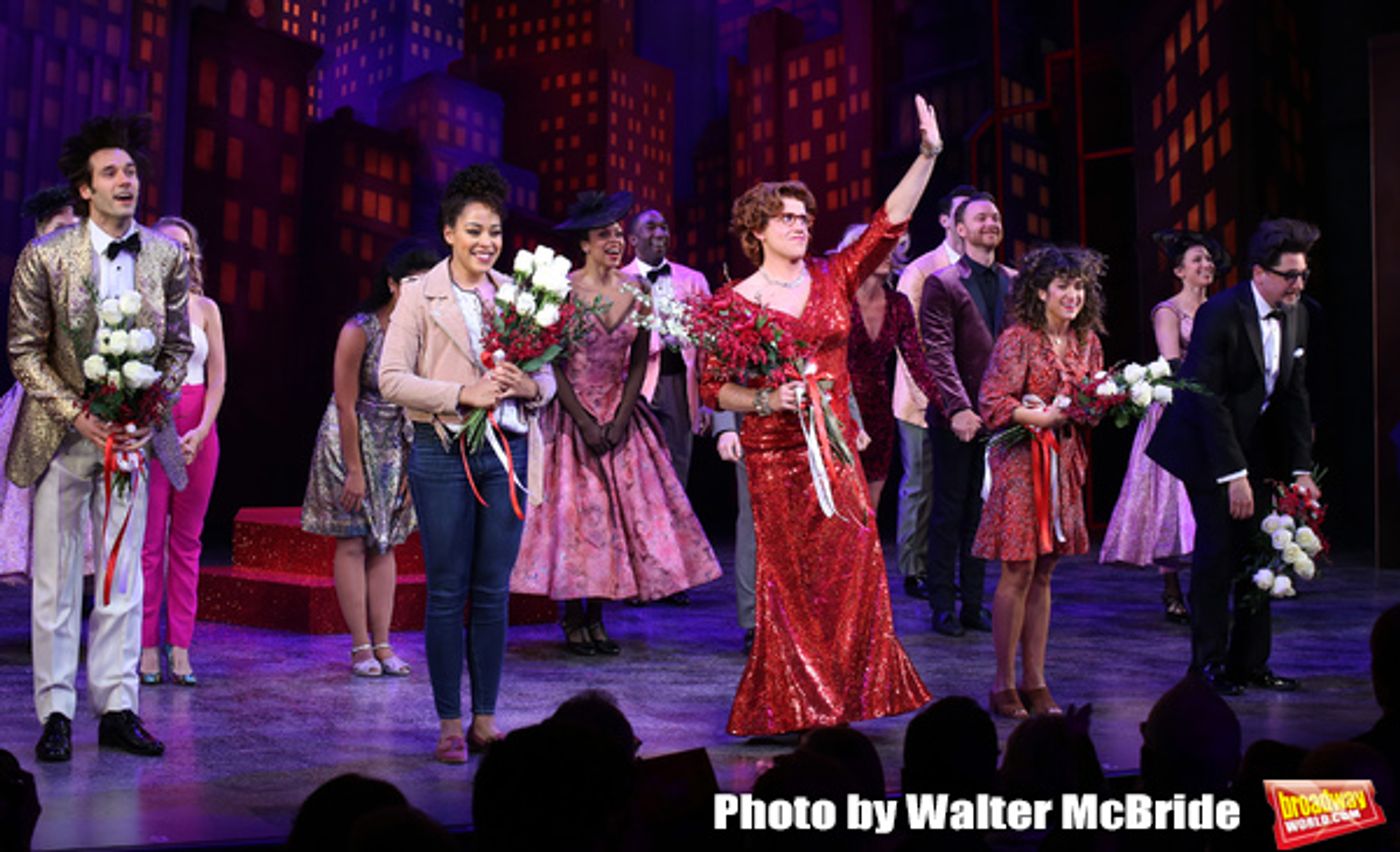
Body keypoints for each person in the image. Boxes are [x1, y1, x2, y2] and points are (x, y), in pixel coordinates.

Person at [701, 95, 942, 736]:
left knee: (852, 565)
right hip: (775, 456)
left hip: (834, 449)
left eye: (804, 216)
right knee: (790, 580)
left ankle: (842, 694)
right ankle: (797, 703)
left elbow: (887, 224)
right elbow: (712, 388)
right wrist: (763, 401)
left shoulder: (833, 276)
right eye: (786, 218)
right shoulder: (732, 303)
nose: (801, 224)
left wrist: (927, 155)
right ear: (756, 230)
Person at [9, 114, 192, 761]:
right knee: (57, 583)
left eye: (132, 171)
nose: (126, 181)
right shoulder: (46, 257)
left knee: (122, 579)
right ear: (85, 189)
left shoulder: (167, 257)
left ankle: (118, 708)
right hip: (64, 437)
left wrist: (149, 405)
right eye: (111, 172)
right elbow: (24, 353)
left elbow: (178, 348)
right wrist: (76, 413)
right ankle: (56, 712)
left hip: (131, 440)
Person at [379, 164, 556, 763]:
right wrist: (463, 395)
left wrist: (524, 386)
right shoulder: (418, 296)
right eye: (475, 230)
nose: (487, 242)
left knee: (492, 592)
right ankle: (449, 724)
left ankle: (486, 719)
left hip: (506, 451)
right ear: (450, 233)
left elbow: (549, 381)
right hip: (442, 450)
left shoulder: (517, 295)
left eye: (496, 232)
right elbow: (391, 379)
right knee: (448, 591)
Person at [511, 190, 721, 655]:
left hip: (619, 410)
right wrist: (583, 420)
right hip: (570, 415)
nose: (614, 242)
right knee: (575, 515)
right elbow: (553, 362)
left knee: (611, 516)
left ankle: (597, 617)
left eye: (617, 234)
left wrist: (623, 415)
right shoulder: (560, 289)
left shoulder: (638, 291)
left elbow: (640, 359)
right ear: (583, 243)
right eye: (603, 235)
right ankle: (573, 617)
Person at [1147, 218, 1319, 696]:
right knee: (1217, 553)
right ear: (1260, 273)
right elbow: (1207, 397)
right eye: (1290, 275)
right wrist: (1233, 475)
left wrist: (1301, 469)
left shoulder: (1298, 312)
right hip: (1207, 448)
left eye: (1304, 274)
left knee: (1262, 548)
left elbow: (1294, 394)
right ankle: (1207, 665)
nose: (1299, 284)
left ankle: (1250, 664)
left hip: (1255, 445)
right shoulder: (1221, 312)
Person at [975, 245, 1106, 719]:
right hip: (1021, 463)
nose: (1072, 295)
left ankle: (1036, 679)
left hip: (1064, 462)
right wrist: (1042, 416)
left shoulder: (1087, 341)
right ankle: (1003, 682)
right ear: (1039, 291)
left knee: (1046, 568)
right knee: (1019, 568)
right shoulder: (1018, 338)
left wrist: (1102, 403)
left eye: (1079, 286)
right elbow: (992, 402)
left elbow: (1090, 401)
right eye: (1063, 286)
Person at [303, 240, 441, 678]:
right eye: (412, 283)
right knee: (351, 541)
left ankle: (384, 645)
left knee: (386, 543)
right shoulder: (360, 329)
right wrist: (356, 471)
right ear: (392, 285)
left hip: (397, 441)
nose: (420, 292)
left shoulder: (428, 335)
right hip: (352, 437)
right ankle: (359, 647)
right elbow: (345, 404)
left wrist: (409, 463)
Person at [1101, 230, 1226, 623]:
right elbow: (1173, 366)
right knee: (1172, 502)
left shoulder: (1220, 308)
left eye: (1208, 260)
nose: (1205, 266)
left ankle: (1210, 586)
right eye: (1196, 261)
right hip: (1178, 408)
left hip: (1215, 409)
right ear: (1179, 271)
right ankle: (1172, 589)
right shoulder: (1168, 311)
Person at [919, 192, 1014, 638]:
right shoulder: (944, 282)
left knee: (982, 512)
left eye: (994, 216)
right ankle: (943, 604)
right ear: (959, 229)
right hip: (956, 417)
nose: (990, 223)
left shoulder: (1016, 280)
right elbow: (937, 351)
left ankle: (974, 604)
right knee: (950, 510)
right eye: (980, 218)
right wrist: (958, 407)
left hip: (1003, 417)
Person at [138, 216, 225, 686]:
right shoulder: (136, 303)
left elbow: (219, 378)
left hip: (198, 428)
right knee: (150, 544)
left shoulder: (207, 308)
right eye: (170, 244)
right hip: (154, 423)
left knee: (187, 544)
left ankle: (182, 648)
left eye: (186, 246)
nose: (180, 252)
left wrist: (202, 428)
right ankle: (148, 647)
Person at [892, 184, 976, 601]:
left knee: (959, 489)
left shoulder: (981, 271)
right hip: (921, 399)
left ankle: (953, 569)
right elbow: (908, 341)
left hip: (968, 401)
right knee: (921, 484)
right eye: (963, 213)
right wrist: (928, 396)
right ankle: (914, 567)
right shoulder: (922, 269)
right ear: (947, 221)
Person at [0, 186, 83, 584]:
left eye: (73, 228)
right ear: (40, 233)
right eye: (58, 228)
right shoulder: (32, 273)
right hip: (37, 398)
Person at [842, 224, 937, 512]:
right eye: (878, 247)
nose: (888, 254)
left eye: (891, 248)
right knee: (841, 509)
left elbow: (918, 364)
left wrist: (952, 406)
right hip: (838, 409)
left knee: (868, 511)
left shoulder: (898, 304)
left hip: (879, 413)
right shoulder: (838, 300)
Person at [621, 208, 712, 487]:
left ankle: (675, 530)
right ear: (633, 240)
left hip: (678, 385)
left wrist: (709, 401)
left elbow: (709, 345)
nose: (660, 233)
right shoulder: (619, 281)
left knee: (677, 468)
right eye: (651, 227)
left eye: (664, 227)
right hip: (632, 385)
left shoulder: (693, 280)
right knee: (636, 468)